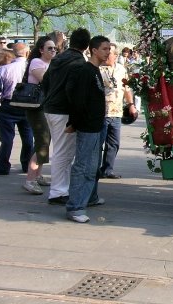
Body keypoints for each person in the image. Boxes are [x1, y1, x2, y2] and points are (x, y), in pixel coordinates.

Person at [64, 36, 111, 223]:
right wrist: (74, 122)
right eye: (105, 49)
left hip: (97, 125)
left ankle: (87, 199)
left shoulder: (95, 70)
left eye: (109, 49)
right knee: (82, 166)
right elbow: (78, 99)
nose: (108, 52)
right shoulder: (84, 70)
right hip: (88, 126)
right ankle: (75, 207)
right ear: (94, 50)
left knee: (92, 167)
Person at [43, 28, 91, 205]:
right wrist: (77, 113)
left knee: (60, 151)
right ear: (87, 45)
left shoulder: (58, 58)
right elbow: (73, 90)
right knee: (63, 153)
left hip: (51, 107)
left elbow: (46, 82)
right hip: (63, 111)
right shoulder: (78, 62)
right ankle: (58, 191)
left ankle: (60, 188)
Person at [22, 37, 57, 194]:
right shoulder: (37, 62)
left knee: (45, 140)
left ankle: (38, 175)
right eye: (49, 48)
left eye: (55, 48)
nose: (53, 51)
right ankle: (30, 179)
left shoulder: (50, 64)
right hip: (36, 107)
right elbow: (46, 81)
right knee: (42, 141)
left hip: (46, 106)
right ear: (41, 49)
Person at [98, 43, 138, 180]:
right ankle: (95, 169)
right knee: (98, 143)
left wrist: (131, 104)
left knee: (114, 143)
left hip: (117, 111)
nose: (107, 55)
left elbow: (126, 89)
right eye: (106, 52)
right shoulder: (98, 69)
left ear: (115, 55)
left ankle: (108, 169)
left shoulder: (121, 69)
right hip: (102, 112)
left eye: (110, 53)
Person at [0, 43, 33, 175]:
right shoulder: (32, 67)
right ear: (27, 53)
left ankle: (3, 165)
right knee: (28, 137)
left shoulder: (3, 69)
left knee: (7, 138)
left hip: (7, 104)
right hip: (27, 104)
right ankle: (27, 164)